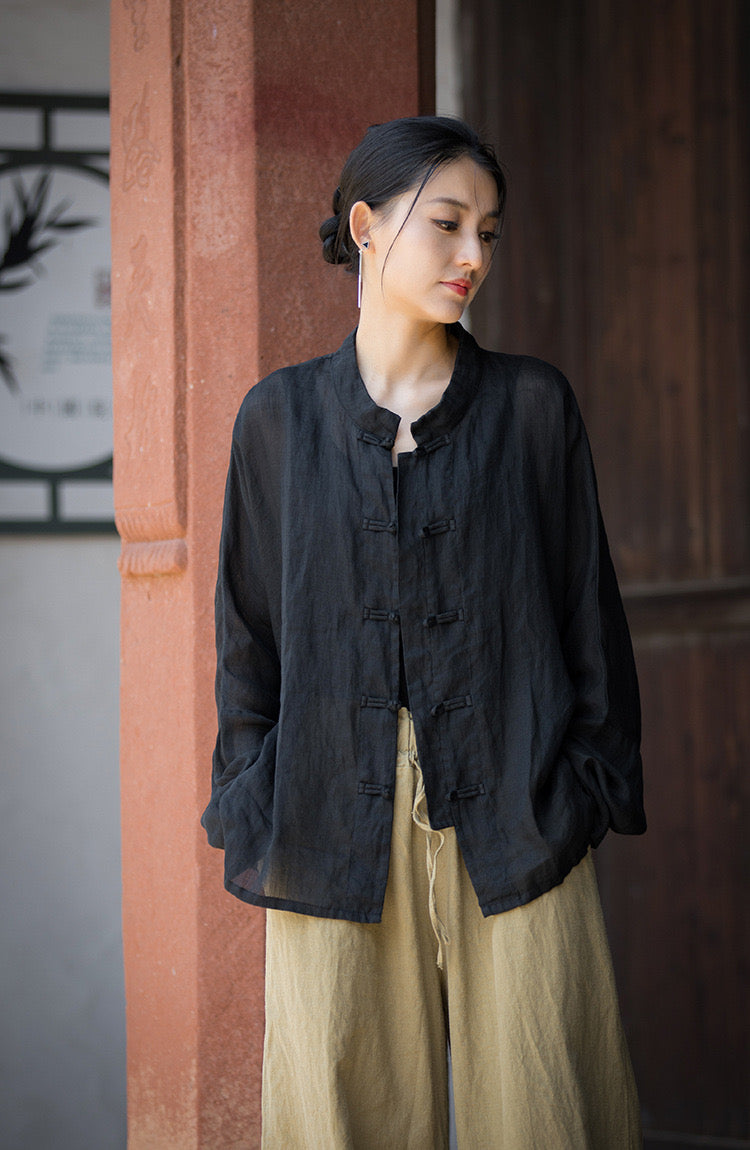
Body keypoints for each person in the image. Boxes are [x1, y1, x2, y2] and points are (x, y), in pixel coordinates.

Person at [201, 115, 646, 1149]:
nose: (473, 254)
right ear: (365, 227)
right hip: (323, 820)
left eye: (489, 230)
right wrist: (256, 791)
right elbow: (247, 641)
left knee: (551, 1113)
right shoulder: (276, 422)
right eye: (447, 223)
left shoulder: (533, 409)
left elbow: (590, 625)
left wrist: (580, 791)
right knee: (337, 1122)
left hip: (521, 813)